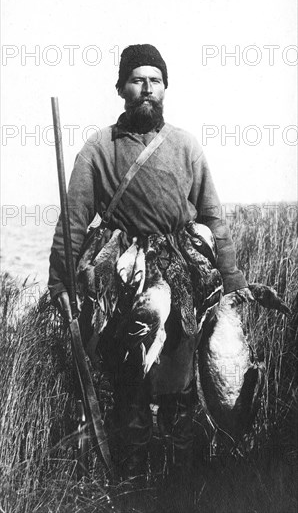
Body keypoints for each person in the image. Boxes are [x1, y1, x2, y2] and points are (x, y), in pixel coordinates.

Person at [48, 44, 252, 484]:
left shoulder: (184, 146)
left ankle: (181, 482)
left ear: (165, 87)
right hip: (124, 272)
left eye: (154, 80)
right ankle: (132, 484)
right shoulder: (98, 149)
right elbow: (74, 219)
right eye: (137, 80)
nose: (146, 89)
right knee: (131, 380)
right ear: (121, 87)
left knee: (179, 377)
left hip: (179, 269)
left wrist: (231, 277)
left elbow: (213, 217)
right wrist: (60, 281)